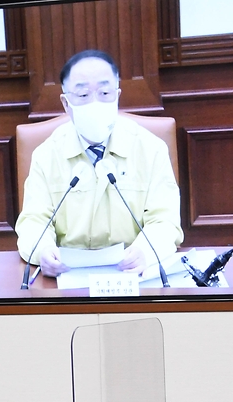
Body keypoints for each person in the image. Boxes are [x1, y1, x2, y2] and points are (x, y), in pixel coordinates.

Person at [15, 50, 183, 277]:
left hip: (132, 272)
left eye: (104, 92)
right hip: (68, 274)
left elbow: (165, 220)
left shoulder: (150, 148)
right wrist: (42, 251)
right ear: (66, 103)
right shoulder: (46, 154)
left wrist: (146, 251)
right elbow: (33, 221)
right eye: (83, 95)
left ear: (117, 95)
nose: (95, 103)